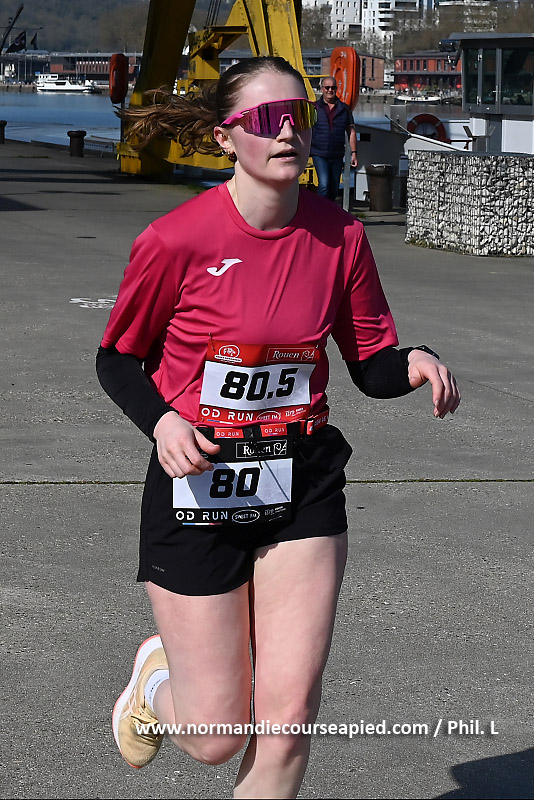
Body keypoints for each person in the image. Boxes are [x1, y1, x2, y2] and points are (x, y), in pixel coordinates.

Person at [96, 56, 460, 799]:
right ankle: (155, 680)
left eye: (298, 114)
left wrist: (414, 362)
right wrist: (163, 422)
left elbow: (370, 364)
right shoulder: (176, 239)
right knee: (214, 736)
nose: (287, 131)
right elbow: (117, 359)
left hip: (301, 480)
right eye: (266, 119)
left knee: (288, 720)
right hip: (200, 481)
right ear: (227, 138)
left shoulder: (340, 237)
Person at [310, 76, 358, 201]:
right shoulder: (314, 108)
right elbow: (306, 130)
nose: (330, 90)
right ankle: (319, 210)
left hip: (336, 154)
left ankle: (329, 210)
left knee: (334, 188)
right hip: (319, 153)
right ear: (322, 89)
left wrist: (354, 153)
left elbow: (351, 131)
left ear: (336, 89)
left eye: (333, 87)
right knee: (324, 184)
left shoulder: (344, 109)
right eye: (327, 87)